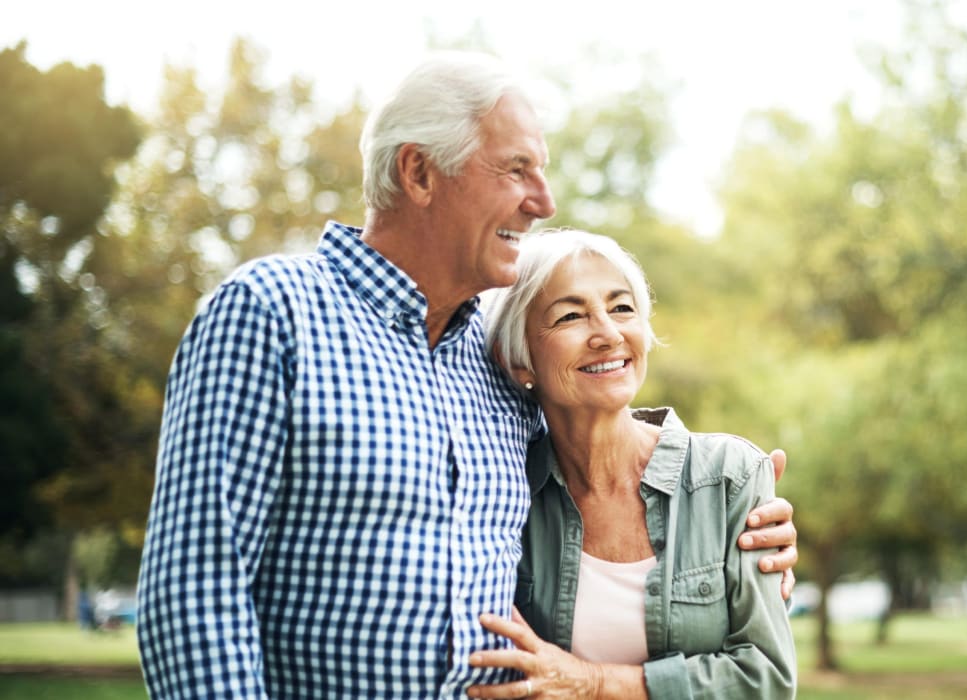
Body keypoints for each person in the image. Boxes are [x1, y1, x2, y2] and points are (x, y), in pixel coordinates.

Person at [136, 50, 797, 698]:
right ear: (420, 173)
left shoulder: (493, 354)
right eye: (518, 170)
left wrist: (731, 520)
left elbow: (601, 441)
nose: (544, 201)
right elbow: (196, 591)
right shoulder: (272, 312)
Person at [467, 229, 796, 699]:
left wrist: (592, 683)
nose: (608, 334)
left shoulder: (730, 474)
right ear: (518, 359)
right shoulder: (502, 491)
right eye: (570, 316)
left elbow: (765, 679)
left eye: (622, 308)